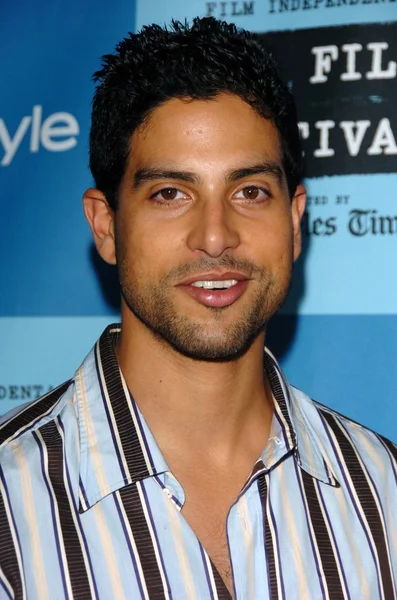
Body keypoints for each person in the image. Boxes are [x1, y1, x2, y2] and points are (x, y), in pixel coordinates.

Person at [0, 17, 396, 600]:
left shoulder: (383, 491)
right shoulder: (10, 503)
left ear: (294, 221)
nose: (215, 237)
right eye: (170, 194)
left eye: (250, 191)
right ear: (106, 226)